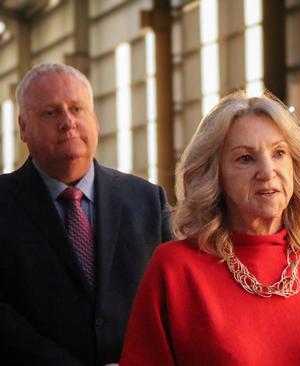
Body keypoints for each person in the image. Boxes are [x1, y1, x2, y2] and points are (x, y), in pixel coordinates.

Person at [120, 91, 300, 366]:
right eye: (245, 158)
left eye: (279, 153)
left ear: (296, 166)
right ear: (213, 174)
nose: (267, 171)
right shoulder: (175, 269)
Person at [0, 63, 172, 365]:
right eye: (50, 113)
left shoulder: (146, 201)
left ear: (95, 120)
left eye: (77, 109)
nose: (68, 122)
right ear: (23, 127)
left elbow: (172, 297)